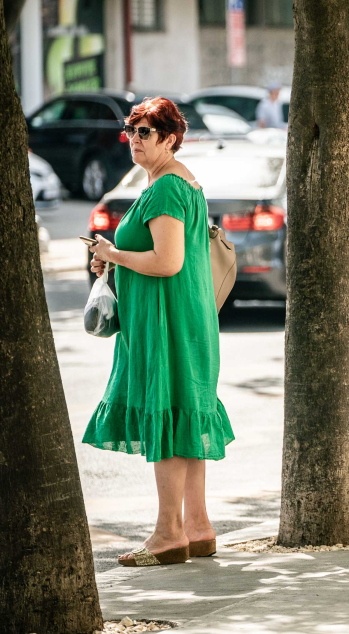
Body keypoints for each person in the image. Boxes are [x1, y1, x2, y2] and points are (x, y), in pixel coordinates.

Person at [84, 97, 234, 566]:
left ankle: (168, 533)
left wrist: (113, 256)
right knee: (185, 412)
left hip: (167, 322)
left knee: (168, 416)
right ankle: (197, 527)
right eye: (132, 131)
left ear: (170, 138)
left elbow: (167, 262)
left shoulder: (166, 188)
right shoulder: (183, 182)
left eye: (146, 132)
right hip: (184, 319)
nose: (135, 140)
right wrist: (116, 258)